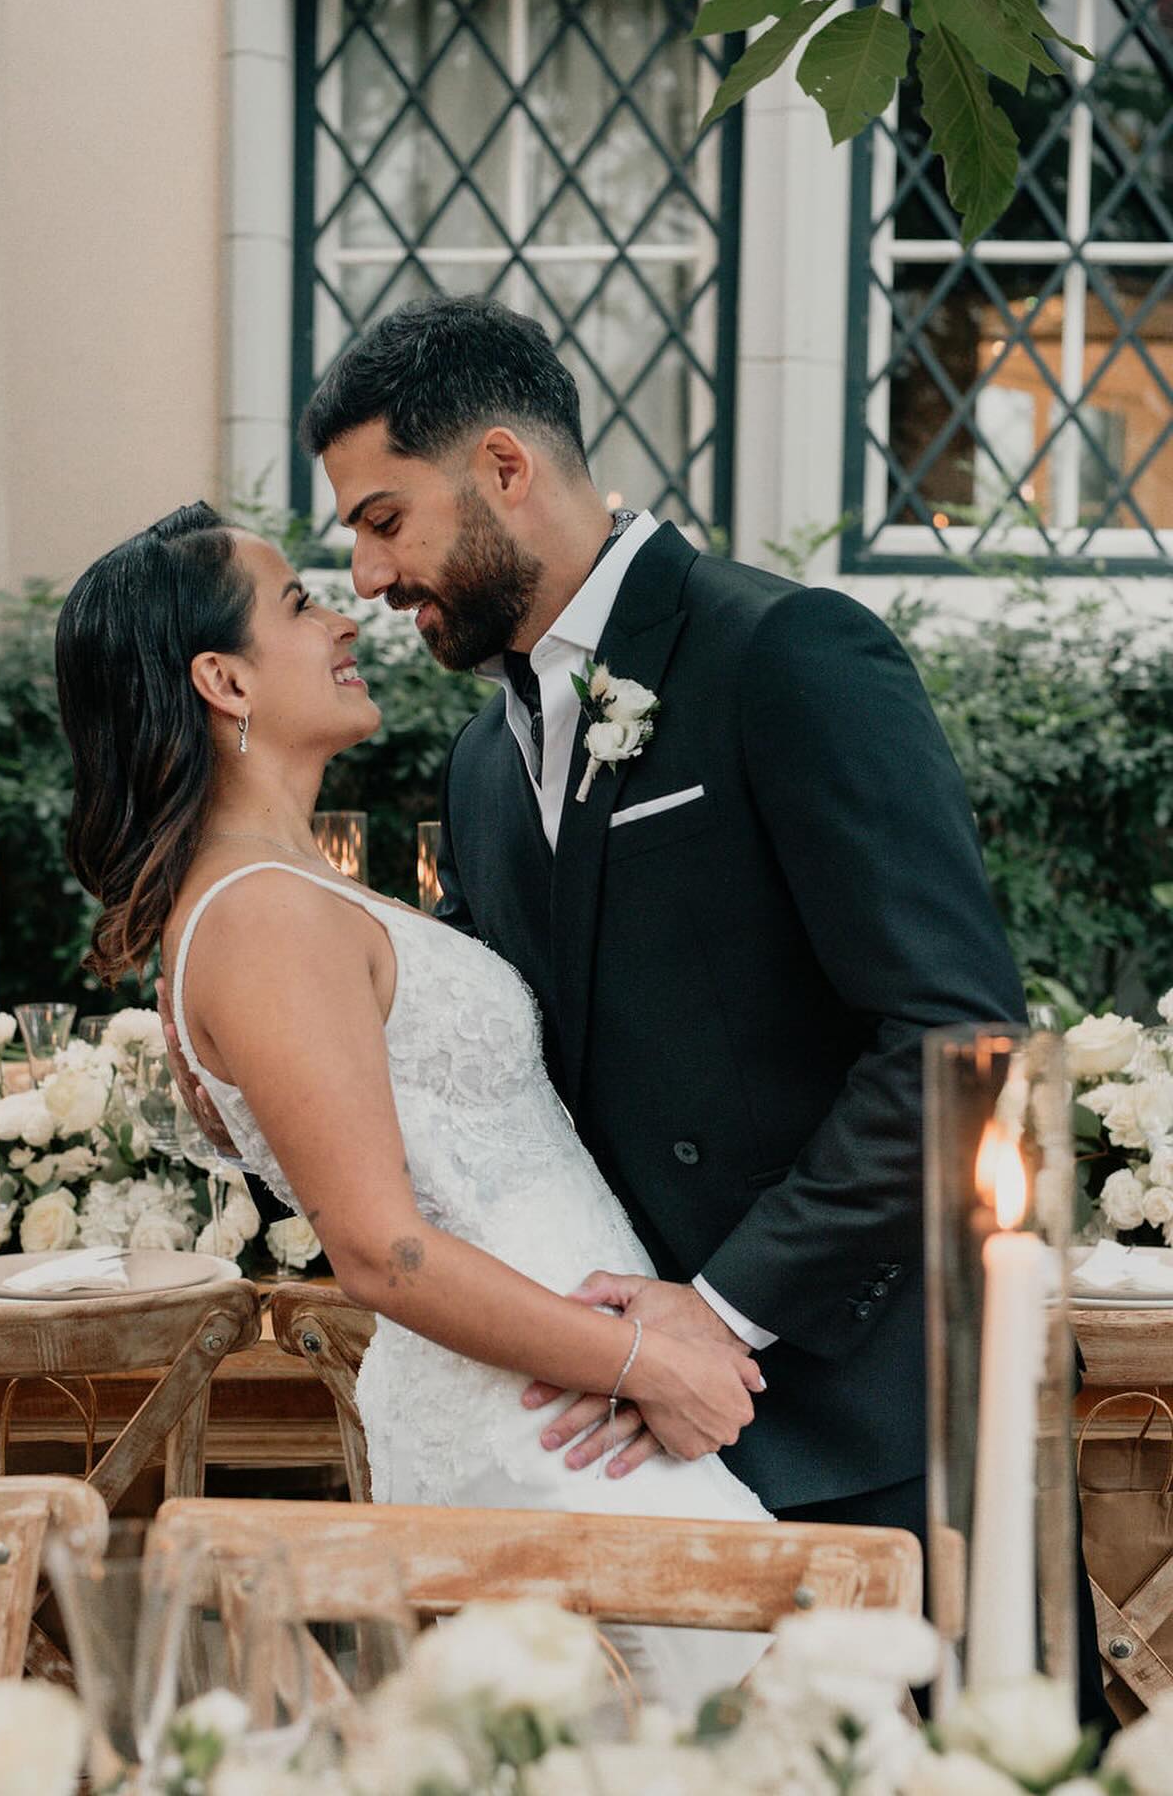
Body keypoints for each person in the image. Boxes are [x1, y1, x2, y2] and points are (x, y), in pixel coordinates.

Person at [296, 294, 1112, 1730]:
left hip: (867, 1430)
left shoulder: (786, 656)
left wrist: (720, 1314)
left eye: (383, 519)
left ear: (502, 468)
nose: (368, 575)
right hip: (628, 1449)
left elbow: (952, 1038)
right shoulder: (486, 765)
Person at [58, 502, 771, 1703]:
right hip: (546, 1425)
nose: (343, 613)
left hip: (574, 1404)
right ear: (224, 679)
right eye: (296, 604)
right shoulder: (261, 919)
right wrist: (644, 1359)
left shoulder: (284, 891)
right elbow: (382, 1251)